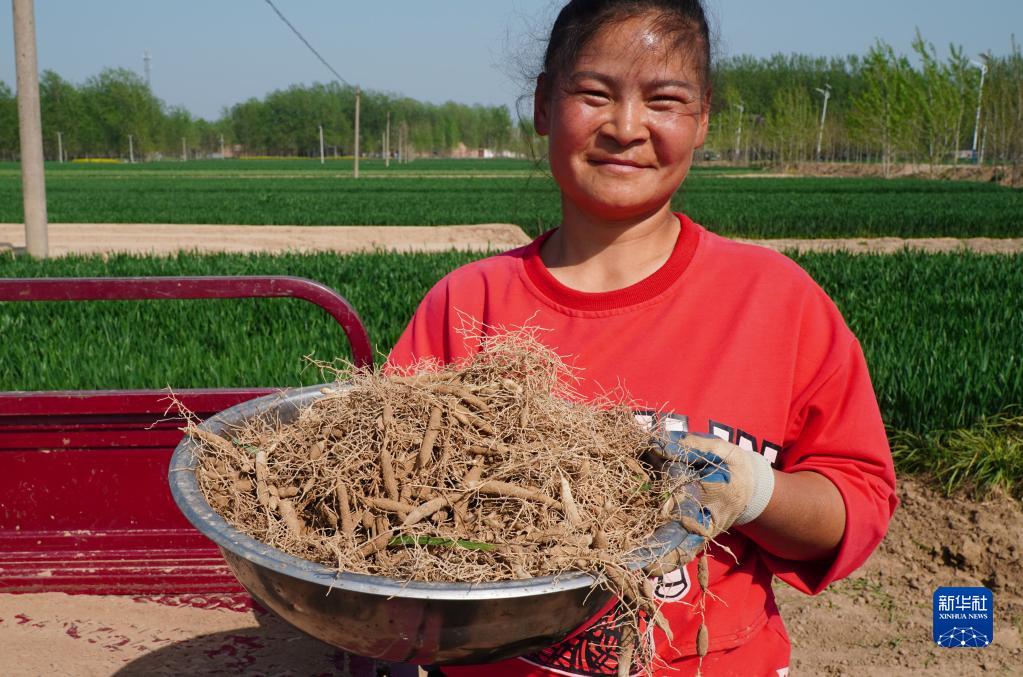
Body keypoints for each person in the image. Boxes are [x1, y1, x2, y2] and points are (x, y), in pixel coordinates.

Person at [387, 0, 897, 674]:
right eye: (594, 93)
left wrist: (753, 491)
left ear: (702, 118)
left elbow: (854, 506)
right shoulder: (468, 303)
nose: (626, 128)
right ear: (543, 105)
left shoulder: (775, 300)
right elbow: (382, 510)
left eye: (664, 100)